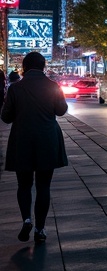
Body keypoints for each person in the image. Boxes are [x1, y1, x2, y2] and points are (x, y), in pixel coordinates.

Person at [1, 51, 69, 243]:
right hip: (47, 139)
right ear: (44, 67)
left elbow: (5, 117)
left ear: (24, 67)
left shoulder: (16, 88)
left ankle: (27, 219)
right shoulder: (53, 86)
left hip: (21, 140)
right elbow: (62, 111)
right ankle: (40, 229)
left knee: (23, 185)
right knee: (43, 185)